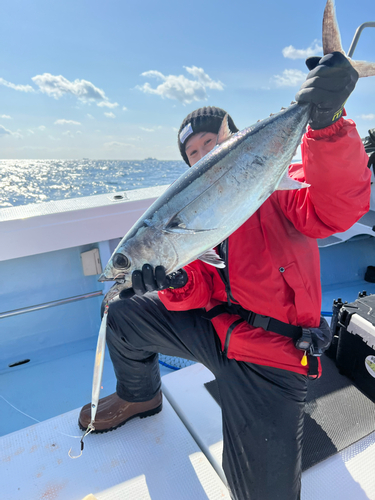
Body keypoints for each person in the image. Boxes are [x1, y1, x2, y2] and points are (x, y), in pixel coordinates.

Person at [79, 52, 371, 500]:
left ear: (234, 139)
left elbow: (337, 205)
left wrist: (327, 124)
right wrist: (175, 283)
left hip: (273, 354)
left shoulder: (279, 189)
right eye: (192, 155)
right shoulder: (196, 213)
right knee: (123, 314)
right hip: (218, 330)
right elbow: (200, 288)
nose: (203, 156)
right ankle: (141, 396)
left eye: (211, 142)